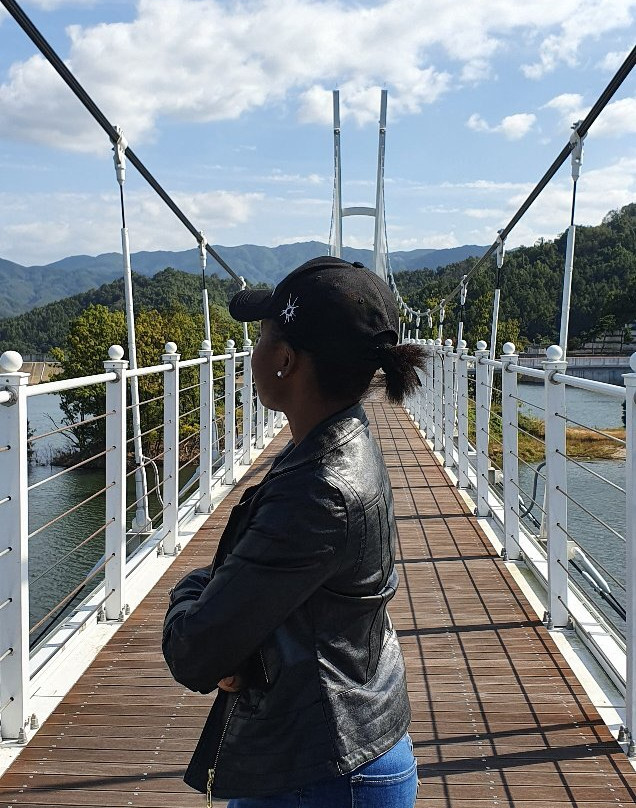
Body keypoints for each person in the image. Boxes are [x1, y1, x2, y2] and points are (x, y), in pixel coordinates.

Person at [162, 256, 425, 807]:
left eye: (260, 339)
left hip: (322, 773)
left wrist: (190, 593)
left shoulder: (318, 491)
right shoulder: (333, 443)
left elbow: (195, 651)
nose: (250, 355)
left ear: (284, 361)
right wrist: (233, 626)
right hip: (338, 748)